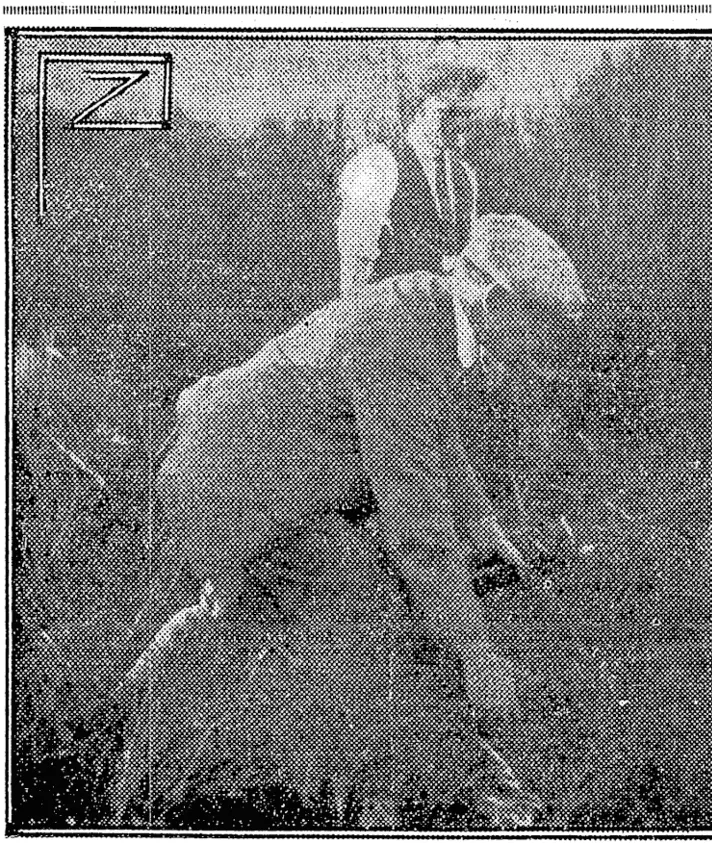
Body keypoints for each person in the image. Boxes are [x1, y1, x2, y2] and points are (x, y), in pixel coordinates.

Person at [108, 214, 586, 830]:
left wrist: (489, 550)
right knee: (379, 629)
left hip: (224, 483)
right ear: (493, 295)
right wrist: (504, 752)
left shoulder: (411, 313)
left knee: (372, 614)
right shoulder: (428, 337)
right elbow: (431, 553)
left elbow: (426, 496)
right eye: (540, 339)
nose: (538, 373)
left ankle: (187, 737)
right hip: (234, 501)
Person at [337, 62, 487, 297]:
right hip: (389, 316)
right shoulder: (379, 164)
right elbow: (355, 266)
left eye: (467, 115)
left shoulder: (463, 177)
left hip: (443, 317)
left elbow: (466, 255)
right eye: (448, 113)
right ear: (419, 110)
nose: (459, 126)